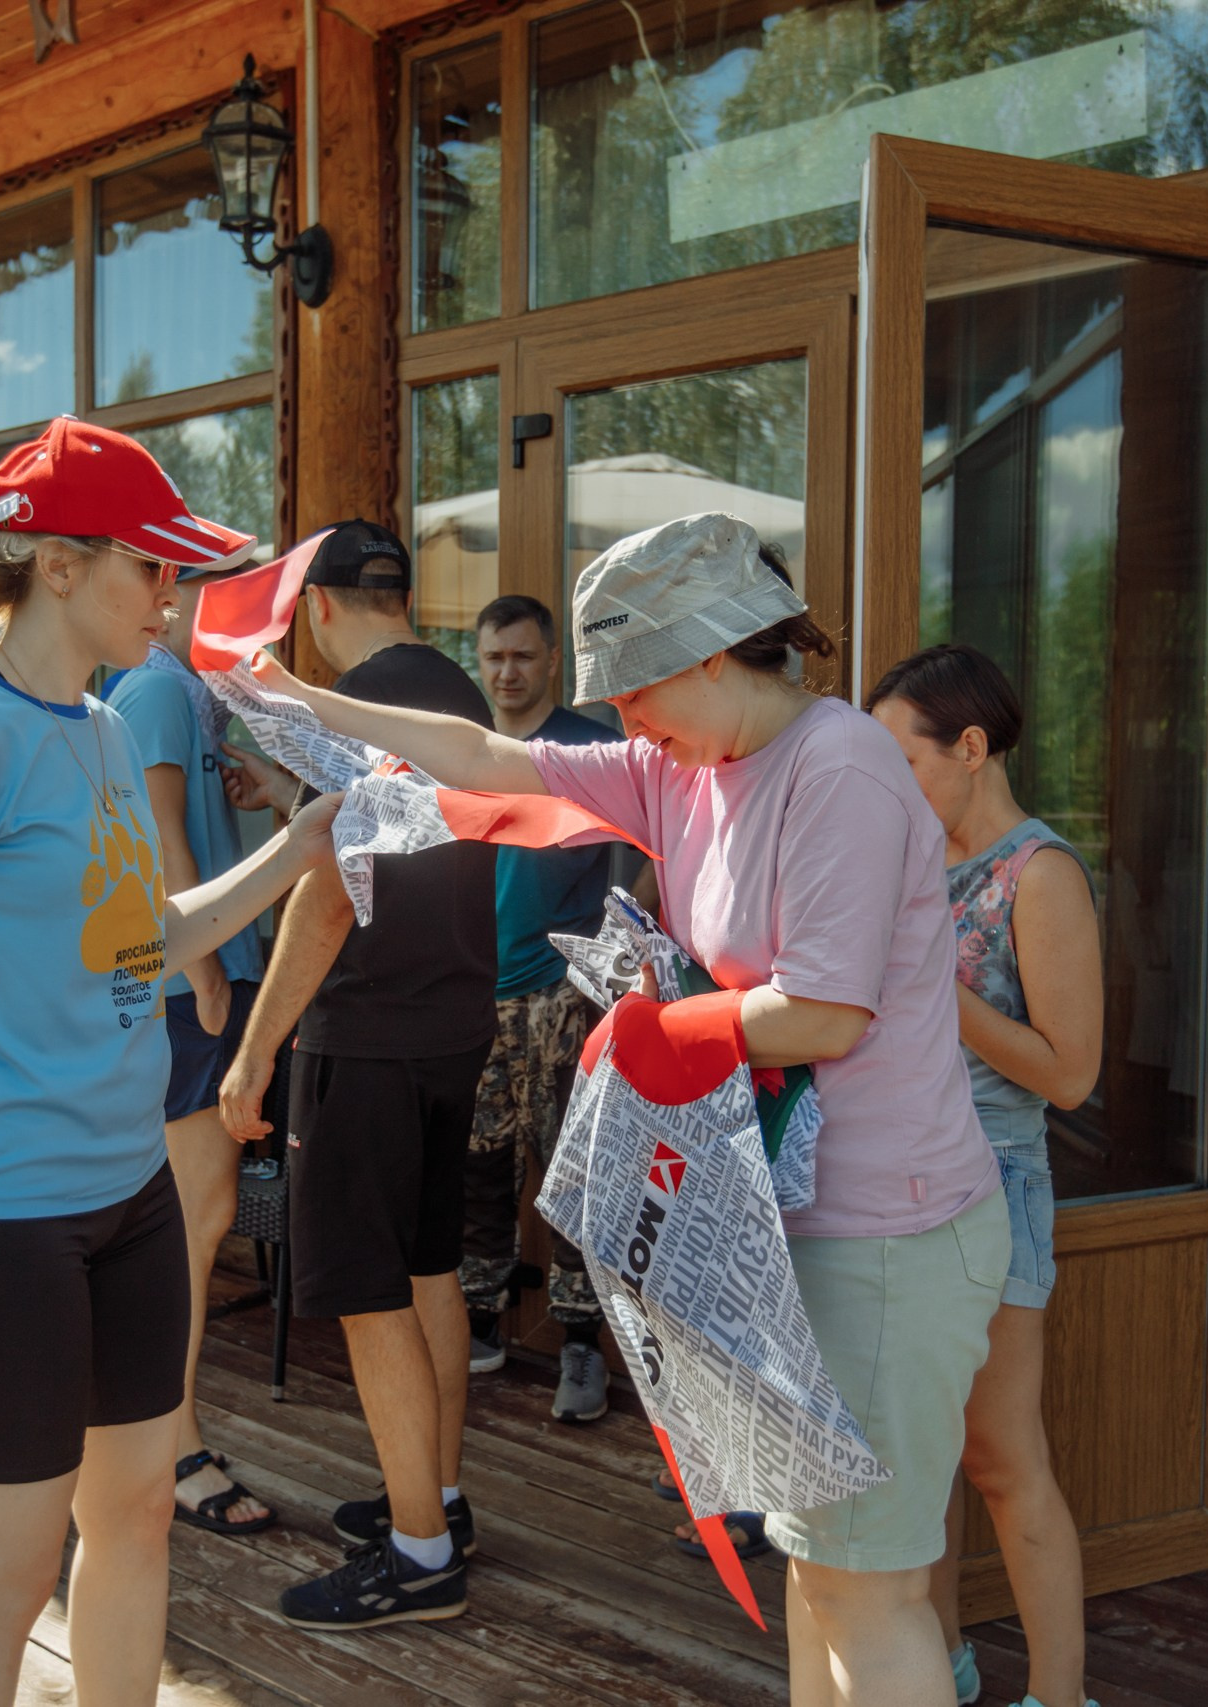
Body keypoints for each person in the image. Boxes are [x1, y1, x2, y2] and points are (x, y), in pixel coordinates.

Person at [241, 512, 1008, 1706]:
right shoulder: (680, 766)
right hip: (795, 1221)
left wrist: (655, 1031)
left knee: (871, 1587)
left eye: (636, 686)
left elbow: (824, 1014)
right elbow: (488, 759)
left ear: (713, 654)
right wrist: (302, 696)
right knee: (820, 1571)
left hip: (889, 1231)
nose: (622, 719)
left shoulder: (839, 765)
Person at [0, 417, 337, 1707]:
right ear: (54, 565)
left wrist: (297, 848)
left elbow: (143, 941)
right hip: (5, 1220)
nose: (174, 596)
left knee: (140, 1517)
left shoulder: (102, 730)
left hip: (134, 1197)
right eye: (152, 570)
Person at [216, 518, 498, 1630]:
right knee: (427, 1267)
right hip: (452, 1020)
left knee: (371, 1294)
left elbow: (329, 891)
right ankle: (436, 1499)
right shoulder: (455, 695)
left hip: (364, 1032)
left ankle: (420, 1553)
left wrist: (253, 1054)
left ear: (317, 609)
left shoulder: (343, 711)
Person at [869, 645, 1103, 1707]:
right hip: (896, 1176)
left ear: (970, 748)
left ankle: (1061, 1699)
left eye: (899, 760)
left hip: (993, 1180)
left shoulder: (1039, 874)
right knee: (918, 1462)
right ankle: (943, 1673)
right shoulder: (912, 864)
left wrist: (926, 982)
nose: (885, 789)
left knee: (1002, 1462)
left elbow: (1068, 1076)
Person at [105, 602, 275, 1533]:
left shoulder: (181, 697)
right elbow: (156, 836)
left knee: (189, 1222)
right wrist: (206, 972)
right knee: (191, 1227)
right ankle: (169, 1444)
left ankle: (157, 1431)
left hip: (196, 979)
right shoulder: (162, 690)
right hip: (188, 985)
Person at [458, 594, 620, 1422]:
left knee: (569, 1175)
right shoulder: (463, 748)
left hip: (566, 990)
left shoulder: (595, 750)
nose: (507, 673)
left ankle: (581, 1346)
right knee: (478, 1166)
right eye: (492, 658)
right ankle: (479, 1321)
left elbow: (649, 849)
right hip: (473, 989)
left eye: (522, 656)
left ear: (551, 658)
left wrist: (619, 961)